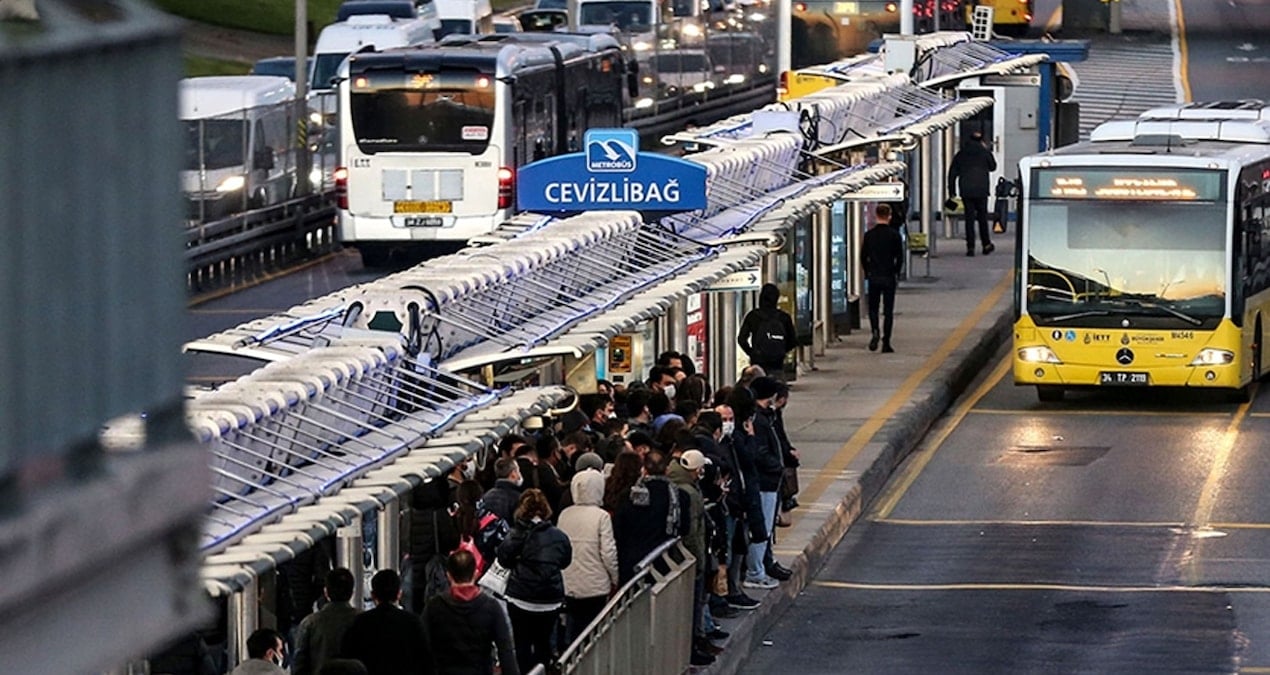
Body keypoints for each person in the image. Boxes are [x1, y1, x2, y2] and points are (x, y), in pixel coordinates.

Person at [497, 488, 574, 674]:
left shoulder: (516, 534)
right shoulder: (559, 536)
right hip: (549, 599)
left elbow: (503, 560)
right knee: (544, 643)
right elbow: (565, 562)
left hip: (520, 597)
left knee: (522, 643)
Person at [423, 550, 520, 675]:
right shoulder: (491, 607)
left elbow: (421, 647)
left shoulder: (434, 607)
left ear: (449, 576)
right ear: (475, 574)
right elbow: (506, 653)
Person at [556, 468, 619, 644]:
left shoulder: (565, 515)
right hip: (595, 584)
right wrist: (615, 577)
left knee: (572, 626)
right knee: (593, 630)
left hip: (569, 582)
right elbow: (608, 552)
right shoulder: (602, 517)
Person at [340, 569, 431, 675]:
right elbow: (425, 661)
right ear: (399, 594)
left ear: (373, 595)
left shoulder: (360, 622)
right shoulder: (413, 622)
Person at [293, 568, 360, 675]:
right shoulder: (364, 620)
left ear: (326, 592)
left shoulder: (310, 623)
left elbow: (299, 665)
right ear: (352, 593)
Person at [861, 203, 904, 354]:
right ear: (889, 216)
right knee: (888, 310)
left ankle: (875, 331)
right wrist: (896, 272)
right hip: (889, 276)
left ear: (876, 215)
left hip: (874, 276)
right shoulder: (894, 235)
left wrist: (868, 272)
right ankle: (886, 342)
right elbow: (900, 258)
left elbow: (863, 256)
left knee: (873, 308)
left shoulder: (869, 235)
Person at [948, 129, 998, 256]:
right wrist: (986, 150)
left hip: (966, 190)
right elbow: (993, 167)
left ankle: (970, 247)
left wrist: (952, 192)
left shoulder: (961, 154)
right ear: (981, 141)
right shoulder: (984, 152)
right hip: (981, 190)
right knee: (982, 218)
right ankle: (986, 244)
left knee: (969, 219)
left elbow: (952, 173)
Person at [737, 284, 796, 381]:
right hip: (777, 364)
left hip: (758, 363)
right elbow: (793, 341)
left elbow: (741, 339)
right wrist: (781, 351)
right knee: (777, 387)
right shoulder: (784, 317)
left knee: (758, 385)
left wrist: (752, 353)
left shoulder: (753, 316)